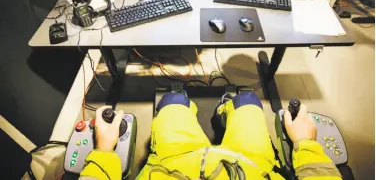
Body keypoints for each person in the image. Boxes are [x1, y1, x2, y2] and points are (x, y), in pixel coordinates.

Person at [80, 92, 342, 180]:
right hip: (253, 166)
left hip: (172, 165)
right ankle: (224, 110)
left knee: (173, 100)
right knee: (248, 100)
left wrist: (104, 150)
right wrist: (306, 144)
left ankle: (190, 104)